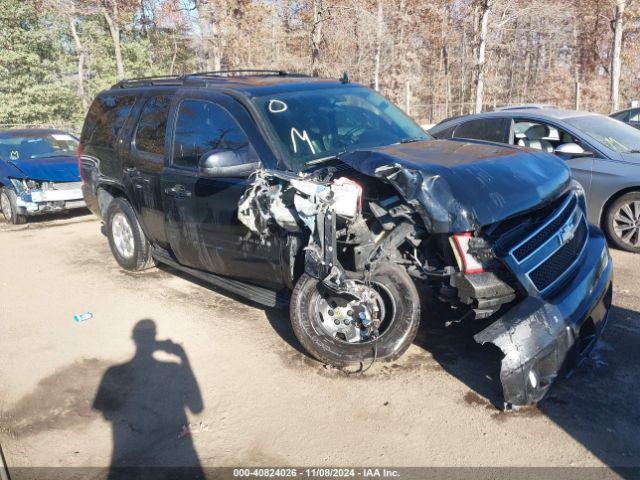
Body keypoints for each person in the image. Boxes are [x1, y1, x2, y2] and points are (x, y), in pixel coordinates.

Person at [93, 319, 204, 479]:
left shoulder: (115, 373)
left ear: (134, 339)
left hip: (133, 463)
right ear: (154, 338)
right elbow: (197, 406)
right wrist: (182, 357)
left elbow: (108, 413)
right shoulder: (172, 370)